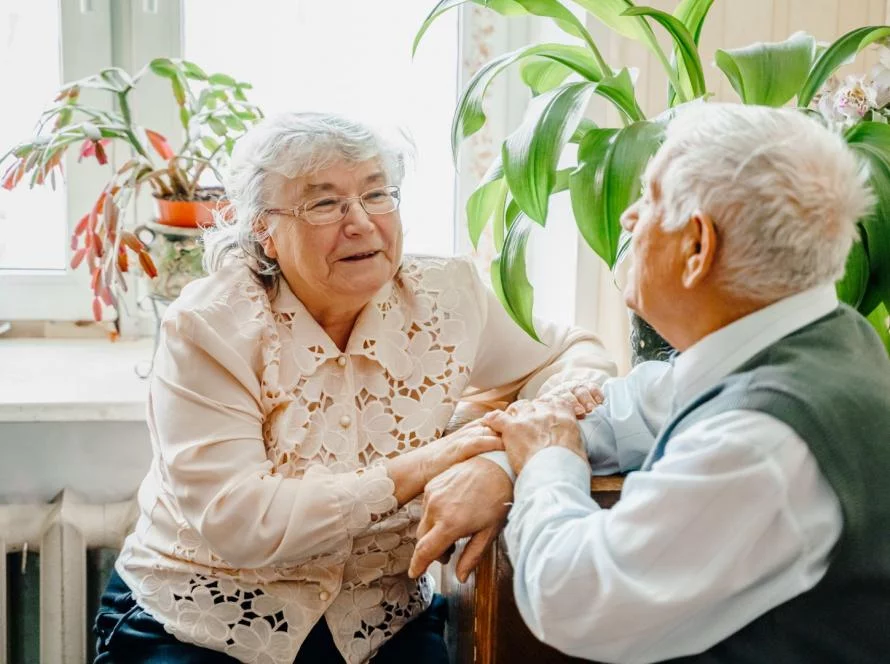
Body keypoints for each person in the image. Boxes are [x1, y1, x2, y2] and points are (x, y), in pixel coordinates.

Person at [92, 112, 616, 664]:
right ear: (264, 231)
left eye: (377, 194)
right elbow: (242, 520)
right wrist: (437, 458)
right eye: (325, 204)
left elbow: (574, 355)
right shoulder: (211, 326)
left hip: (381, 625)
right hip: (201, 622)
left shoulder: (447, 296)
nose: (362, 222)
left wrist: (496, 464)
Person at [414, 103, 890, 663]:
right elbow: (634, 406)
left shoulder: (762, 444)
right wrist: (505, 461)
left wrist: (545, 459)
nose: (627, 218)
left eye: (649, 199)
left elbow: (573, 599)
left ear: (696, 246)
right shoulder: (814, 336)